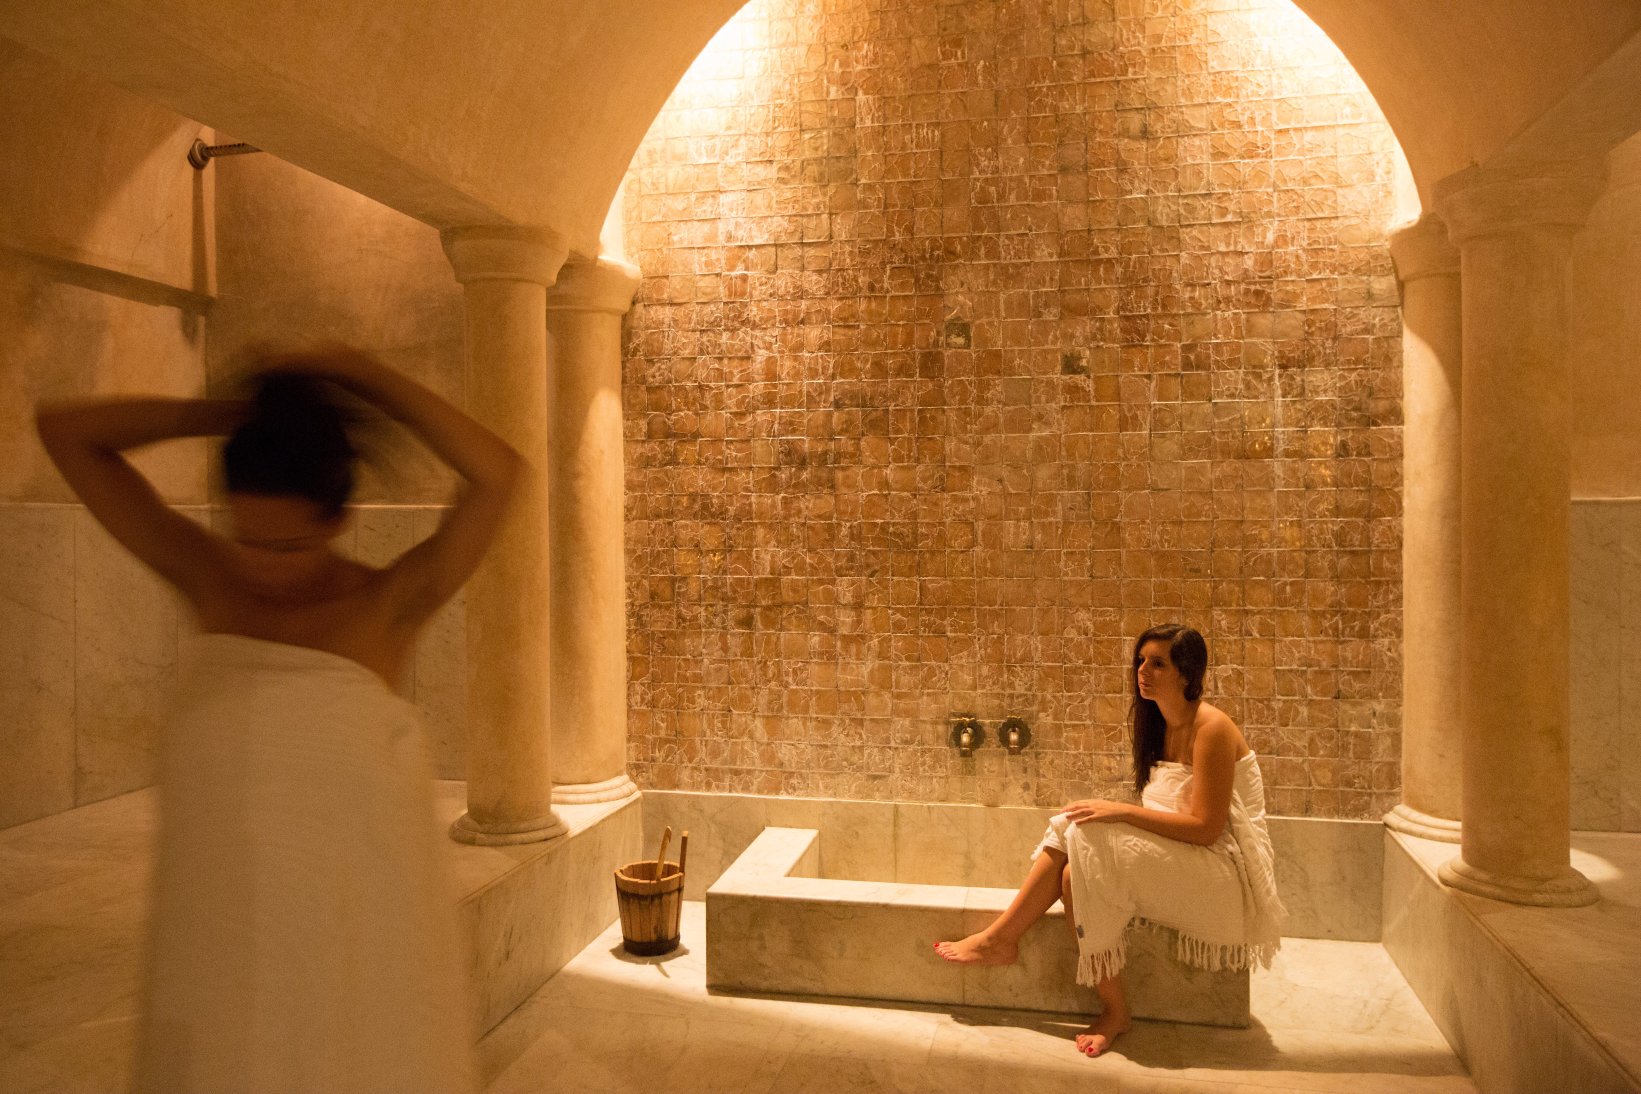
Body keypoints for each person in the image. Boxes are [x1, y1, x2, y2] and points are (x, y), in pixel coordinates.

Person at [36, 346, 520, 1093]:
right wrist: (232, 415)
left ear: (340, 519)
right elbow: (67, 433)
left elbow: (499, 474)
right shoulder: (207, 576)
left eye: (290, 545)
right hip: (218, 946)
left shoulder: (387, 605)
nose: (265, 565)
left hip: (338, 949)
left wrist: (358, 375)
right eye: (249, 538)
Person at [934, 624, 1285, 1059]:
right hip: (1186, 859)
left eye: (1158, 663)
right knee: (1072, 871)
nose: (1143, 671)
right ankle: (1114, 1010)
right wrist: (1116, 815)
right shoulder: (1159, 725)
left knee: (1086, 830)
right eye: (1141, 661)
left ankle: (999, 940)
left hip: (1223, 875)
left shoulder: (1212, 728)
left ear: (1187, 673)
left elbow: (1206, 829)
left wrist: (1120, 811)